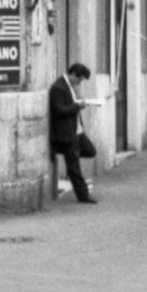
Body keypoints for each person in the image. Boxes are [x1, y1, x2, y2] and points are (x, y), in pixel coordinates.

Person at [49, 61, 97, 205]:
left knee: (90, 150)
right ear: (74, 75)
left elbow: (73, 104)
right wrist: (76, 106)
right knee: (74, 166)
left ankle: (68, 155)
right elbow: (58, 110)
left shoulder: (71, 87)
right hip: (68, 134)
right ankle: (83, 195)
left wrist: (78, 95)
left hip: (77, 131)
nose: (80, 83)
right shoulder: (58, 88)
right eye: (80, 80)